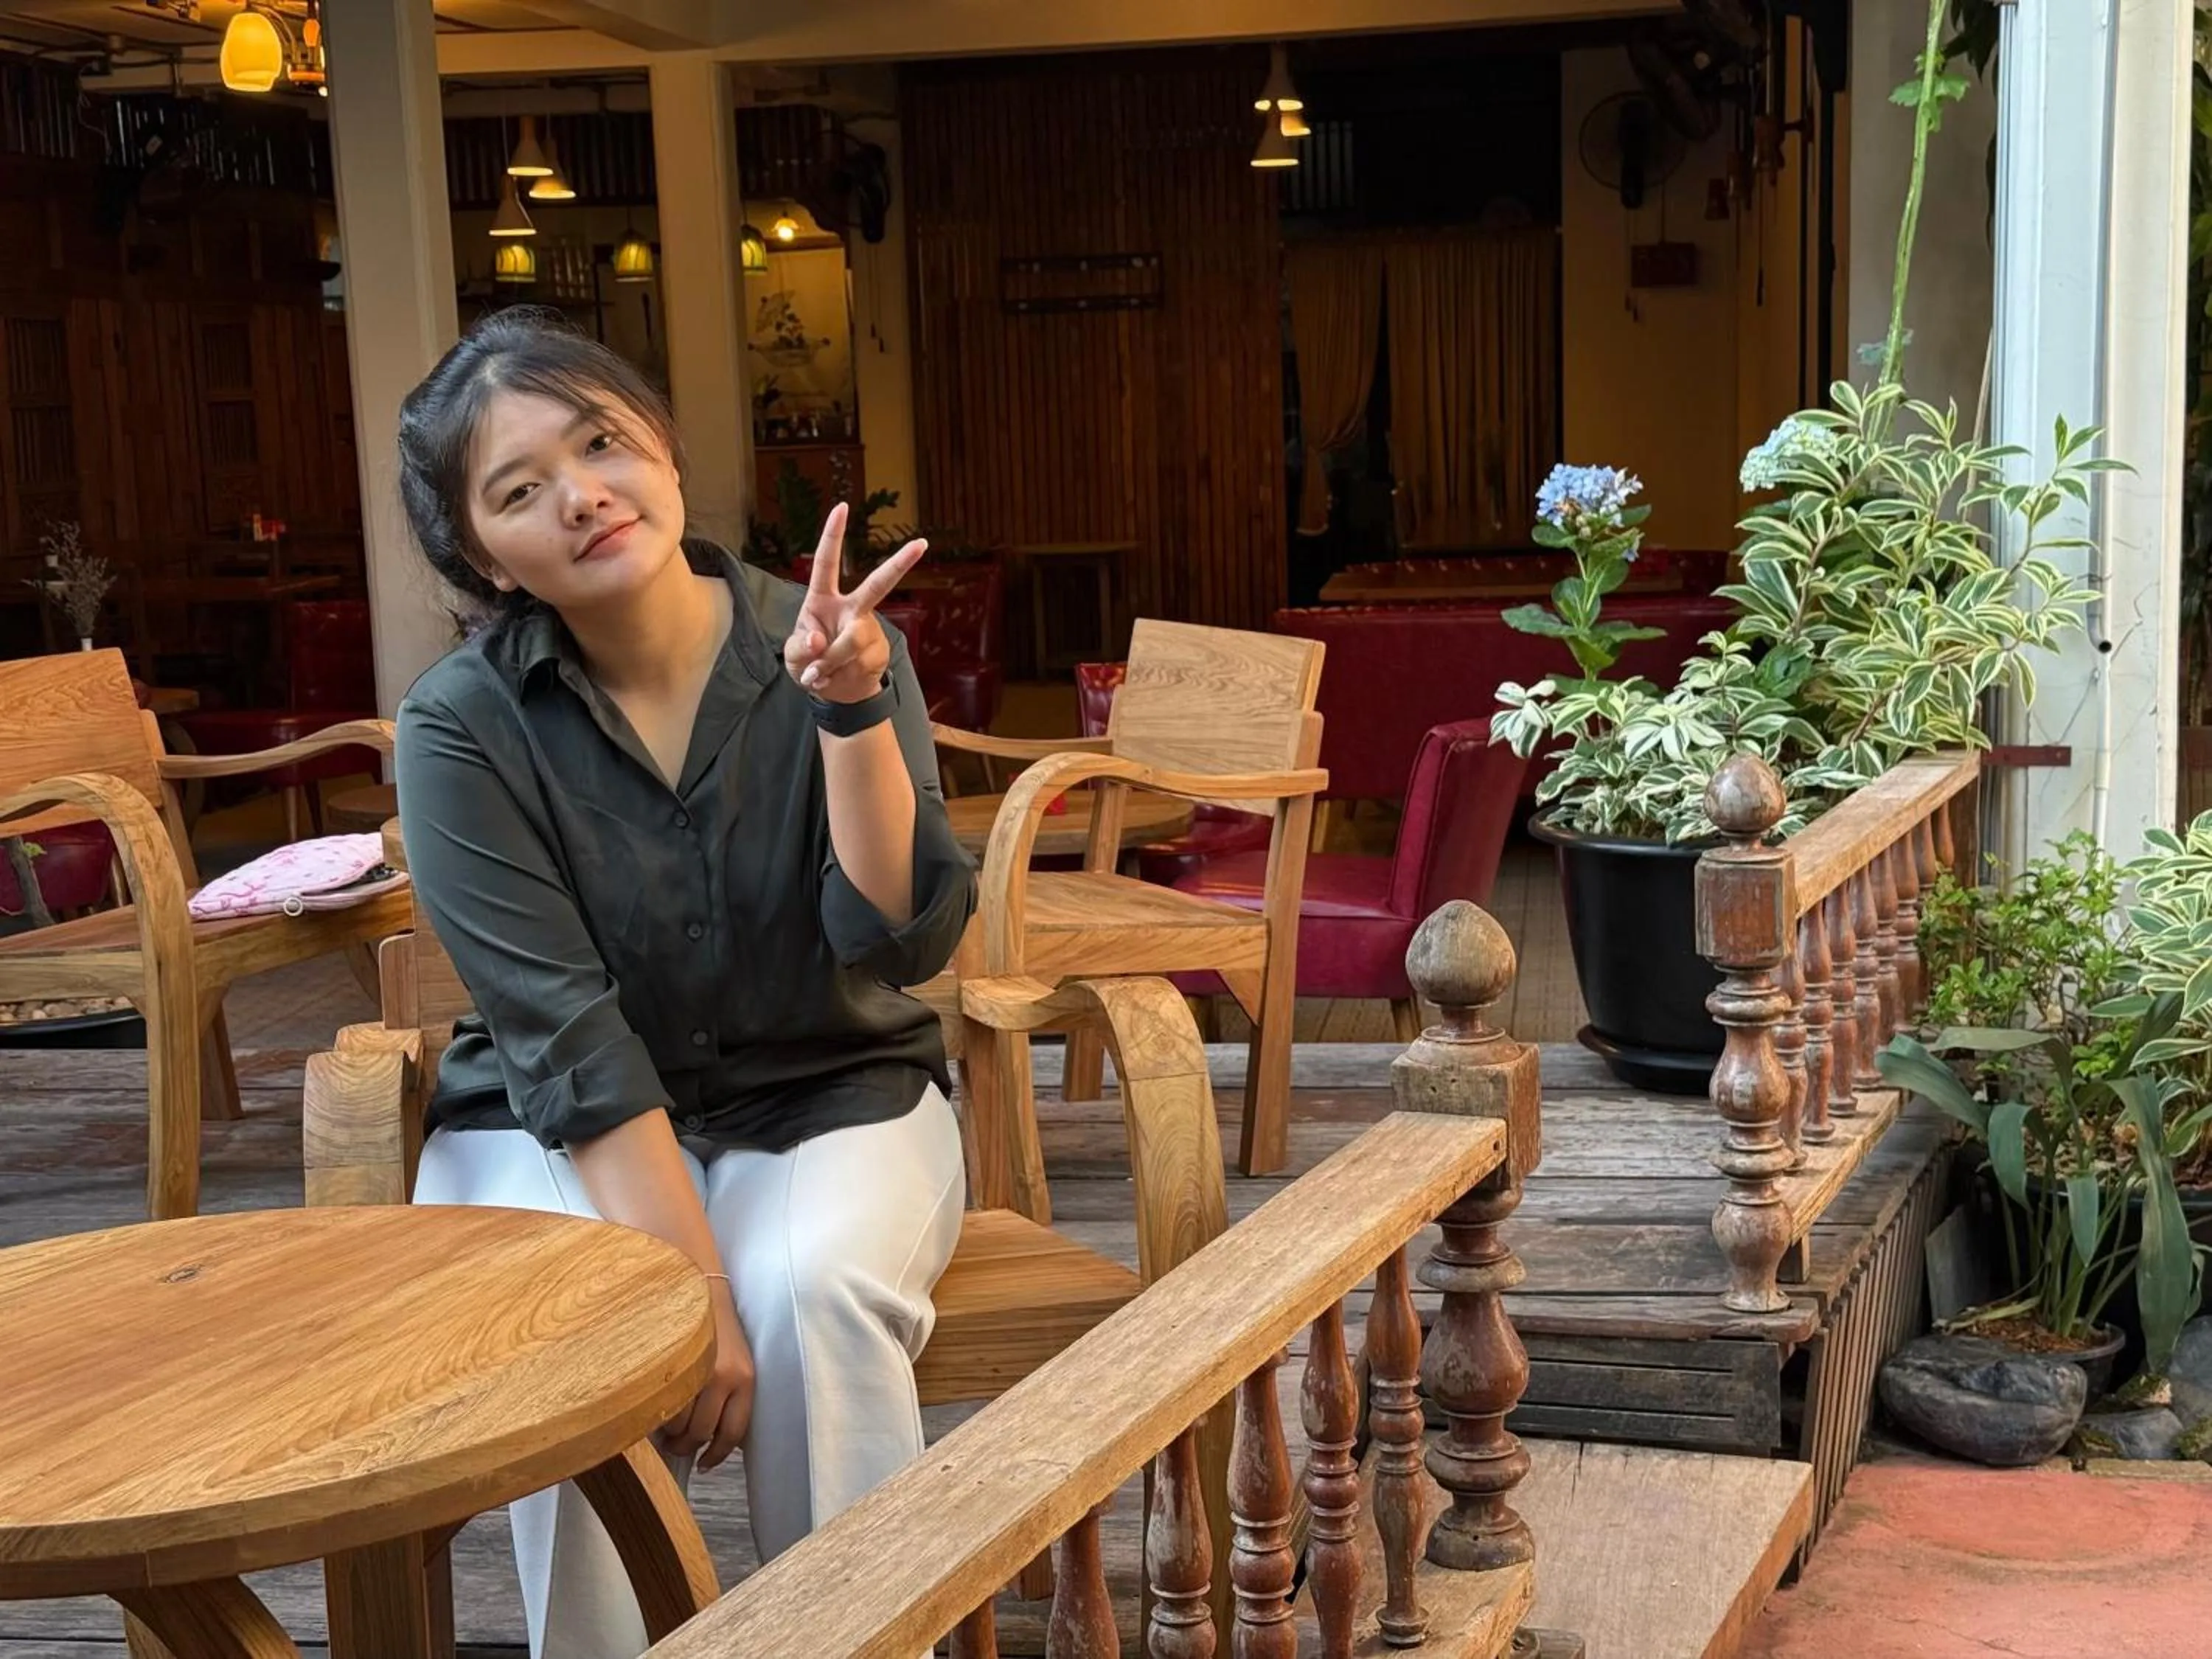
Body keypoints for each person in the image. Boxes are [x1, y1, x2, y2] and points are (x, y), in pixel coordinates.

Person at [391, 308, 975, 1659]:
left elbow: (897, 937)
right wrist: (679, 1287)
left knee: (817, 1295)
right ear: (484, 557)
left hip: (829, 1082)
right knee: (579, 1336)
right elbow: (566, 1039)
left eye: (599, 442)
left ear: (658, 440)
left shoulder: (829, 635)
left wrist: (849, 710)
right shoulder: (458, 727)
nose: (582, 495)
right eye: (519, 489)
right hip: (546, 1122)